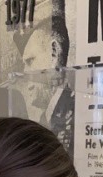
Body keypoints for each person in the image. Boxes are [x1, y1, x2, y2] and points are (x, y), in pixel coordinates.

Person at [19, 17, 74, 152]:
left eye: (30, 61)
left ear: (54, 53)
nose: (25, 73)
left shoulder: (75, 113)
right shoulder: (44, 120)